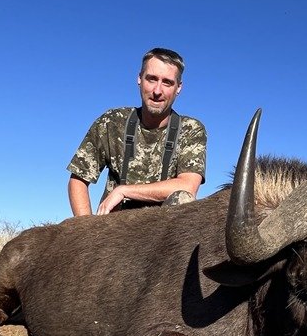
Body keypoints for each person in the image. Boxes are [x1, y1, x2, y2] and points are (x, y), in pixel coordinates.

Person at [67, 47, 206, 215]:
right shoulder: (111, 121)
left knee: (183, 198)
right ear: (139, 79)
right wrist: (87, 230)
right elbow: (78, 180)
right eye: (151, 79)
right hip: (113, 228)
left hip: (162, 231)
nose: (157, 91)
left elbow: (188, 187)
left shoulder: (191, 129)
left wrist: (123, 191)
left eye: (167, 82)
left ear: (179, 88)